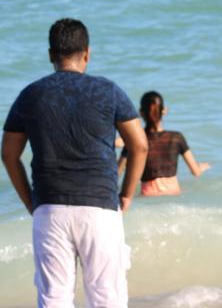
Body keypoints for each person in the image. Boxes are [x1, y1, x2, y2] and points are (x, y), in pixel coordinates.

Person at [1, 18, 148, 308]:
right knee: (107, 299)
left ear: (50, 55)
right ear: (87, 53)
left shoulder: (30, 95)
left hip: (50, 208)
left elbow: (8, 154)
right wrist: (127, 195)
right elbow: (140, 146)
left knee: (54, 299)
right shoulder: (108, 91)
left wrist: (32, 202)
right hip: (100, 207)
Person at [118, 91, 210, 196]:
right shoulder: (177, 138)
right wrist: (201, 167)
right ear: (164, 110)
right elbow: (195, 172)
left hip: (147, 198)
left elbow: (117, 173)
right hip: (173, 197)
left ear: (141, 113)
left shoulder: (135, 140)